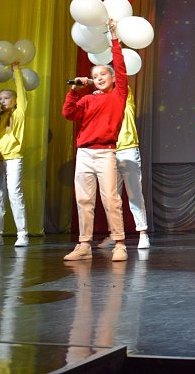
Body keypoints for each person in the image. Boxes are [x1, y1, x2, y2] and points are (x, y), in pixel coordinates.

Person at [62, 19, 128, 262]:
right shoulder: (88, 100)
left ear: (112, 77)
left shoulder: (119, 94)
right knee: (84, 199)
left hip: (106, 153)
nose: (99, 77)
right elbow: (68, 113)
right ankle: (84, 245)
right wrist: (74, 91)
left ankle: (119, 243)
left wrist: (114, 39)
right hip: (84, 153)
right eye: (95, 75)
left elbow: (120, 67)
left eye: (103, 74)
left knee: (110, 198)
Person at [97, 85, 151, 251]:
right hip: (108, 150)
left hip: (127, 149)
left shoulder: (123, 94)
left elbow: (121, 86)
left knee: (134, 193)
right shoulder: (101, 100)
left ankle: (143, 233)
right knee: (111, 197)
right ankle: (114, 235)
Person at [0, 62, 29, 247]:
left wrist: (16, 72)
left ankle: (22, 234)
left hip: (14, 157)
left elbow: (21, 92)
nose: (2, 101)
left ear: (15, 101)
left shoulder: (19, 113)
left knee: (14, 194)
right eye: (0, 98)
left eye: (6, 98)